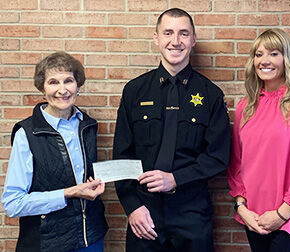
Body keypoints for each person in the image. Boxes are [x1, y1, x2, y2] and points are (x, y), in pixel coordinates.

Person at [113, 8, 230, 252]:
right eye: (168, 33)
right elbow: (122, 155)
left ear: (193, 40)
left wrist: (175, 179)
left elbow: (218, 157)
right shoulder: (134, 91)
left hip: (192, 212)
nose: (175, 41)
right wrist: (131, 206)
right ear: (156, 38)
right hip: (144, 212)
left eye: (183, 34)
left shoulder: (211, 95)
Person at [227, 28, 290, 252]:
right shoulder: (246, 105)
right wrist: (241, 207)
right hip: (255, 219)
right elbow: (237, 163)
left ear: (287, 59)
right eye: (259, 54)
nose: (265, 60)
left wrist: (282, 214)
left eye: (274, 53)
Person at [1, 52, 108, 252]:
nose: (62, 90)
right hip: (49, 243)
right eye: (53, 82)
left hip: (91, 238)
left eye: (68, 80)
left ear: (78, 86)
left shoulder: (88, 125)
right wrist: (70, 192)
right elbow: (13, 204)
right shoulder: (27, 133)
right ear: (42, 88)